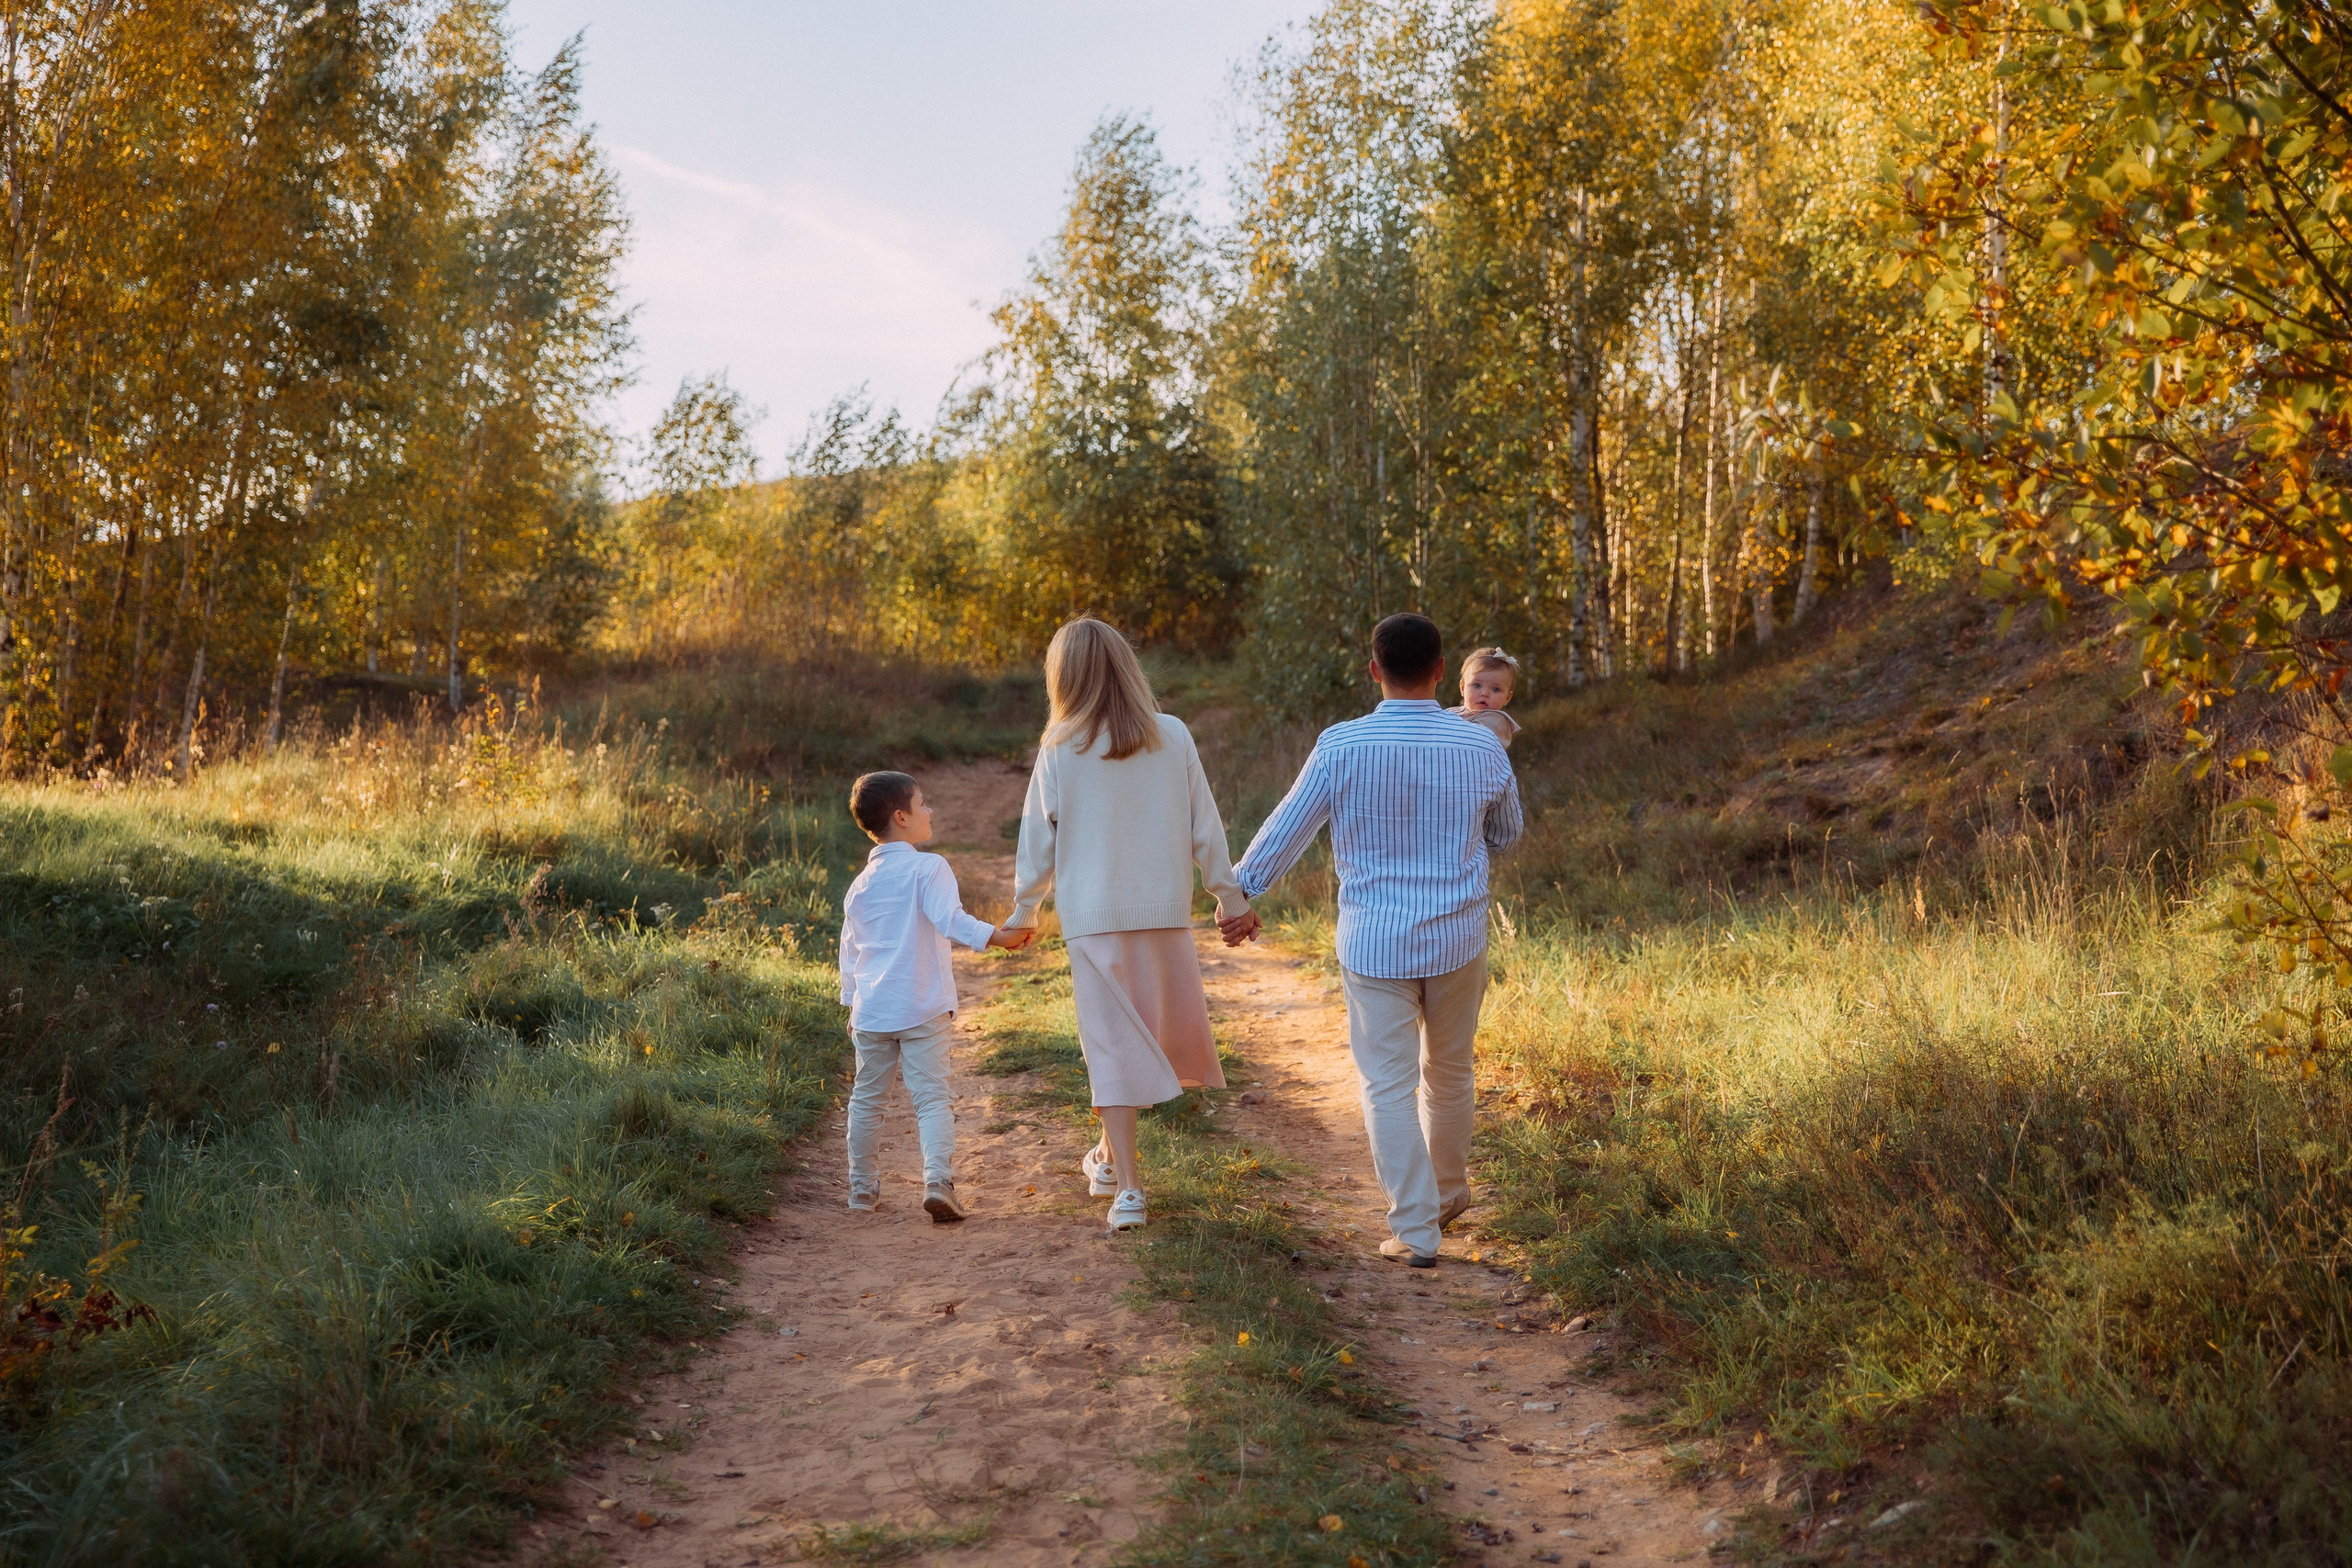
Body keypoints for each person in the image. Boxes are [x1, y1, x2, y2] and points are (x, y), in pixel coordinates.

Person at [1221, 613, 1521, 1267]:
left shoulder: (1340, 745)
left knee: (1386, 1083)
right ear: (1444, 671)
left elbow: (1285, 830)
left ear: (1374, 670)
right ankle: (1448, 1192)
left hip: (1374, 943)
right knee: (1450, 1072)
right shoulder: (1483, 747)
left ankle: (1416, 1230)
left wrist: (1238, 896)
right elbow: (1506, 833)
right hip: (1457, 938)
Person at [1003, 617, 1251, 1232]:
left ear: (1062, 677)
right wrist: (1229, 896)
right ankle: (1109, 1162)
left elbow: (1038, 841)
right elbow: (1206, 828)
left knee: (1114, 1046)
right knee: (1142, 1037)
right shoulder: (1172, 735)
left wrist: (1024, 910)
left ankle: (1131, 1189)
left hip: (1093, 920)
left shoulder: (1060, 746)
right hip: (1164, 915)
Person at [839, 770, 1034, 1222]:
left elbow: (849, 951)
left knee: (867, 1100)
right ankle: (937, 1181)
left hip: (872, 1012)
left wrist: (852, 1003)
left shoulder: (859, 885)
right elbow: (951, 920)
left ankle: (861, 1190)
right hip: (923, 1005)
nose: (931, 811)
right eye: (923, 803)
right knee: (931, 1097)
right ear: (902, 817)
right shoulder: (929, 868)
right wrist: (998, 937)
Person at [1453, 646, 1521, 749]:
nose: (1485, 693)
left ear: (1507, 697)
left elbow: (1472, 738)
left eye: (1495, 689)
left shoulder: (1496, 720)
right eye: (1477, 685)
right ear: (1462, 688)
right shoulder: (1453, 712)